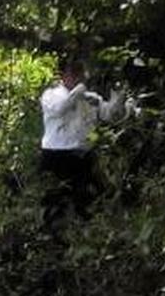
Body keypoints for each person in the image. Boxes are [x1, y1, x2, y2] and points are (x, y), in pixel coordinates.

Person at [40, 56, 125, 222]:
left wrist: (118, 101)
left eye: (80, 72)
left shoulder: (90, 97)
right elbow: (60, 108)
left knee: (90, 196)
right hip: (57, 155)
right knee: (58, 199)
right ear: (63, 75)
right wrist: (78, 92)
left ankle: (89, 229)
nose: (78, 77)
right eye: (73, 73)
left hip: (83, 154)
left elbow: (109, 115)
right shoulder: (51, 95)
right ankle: (54, 232)